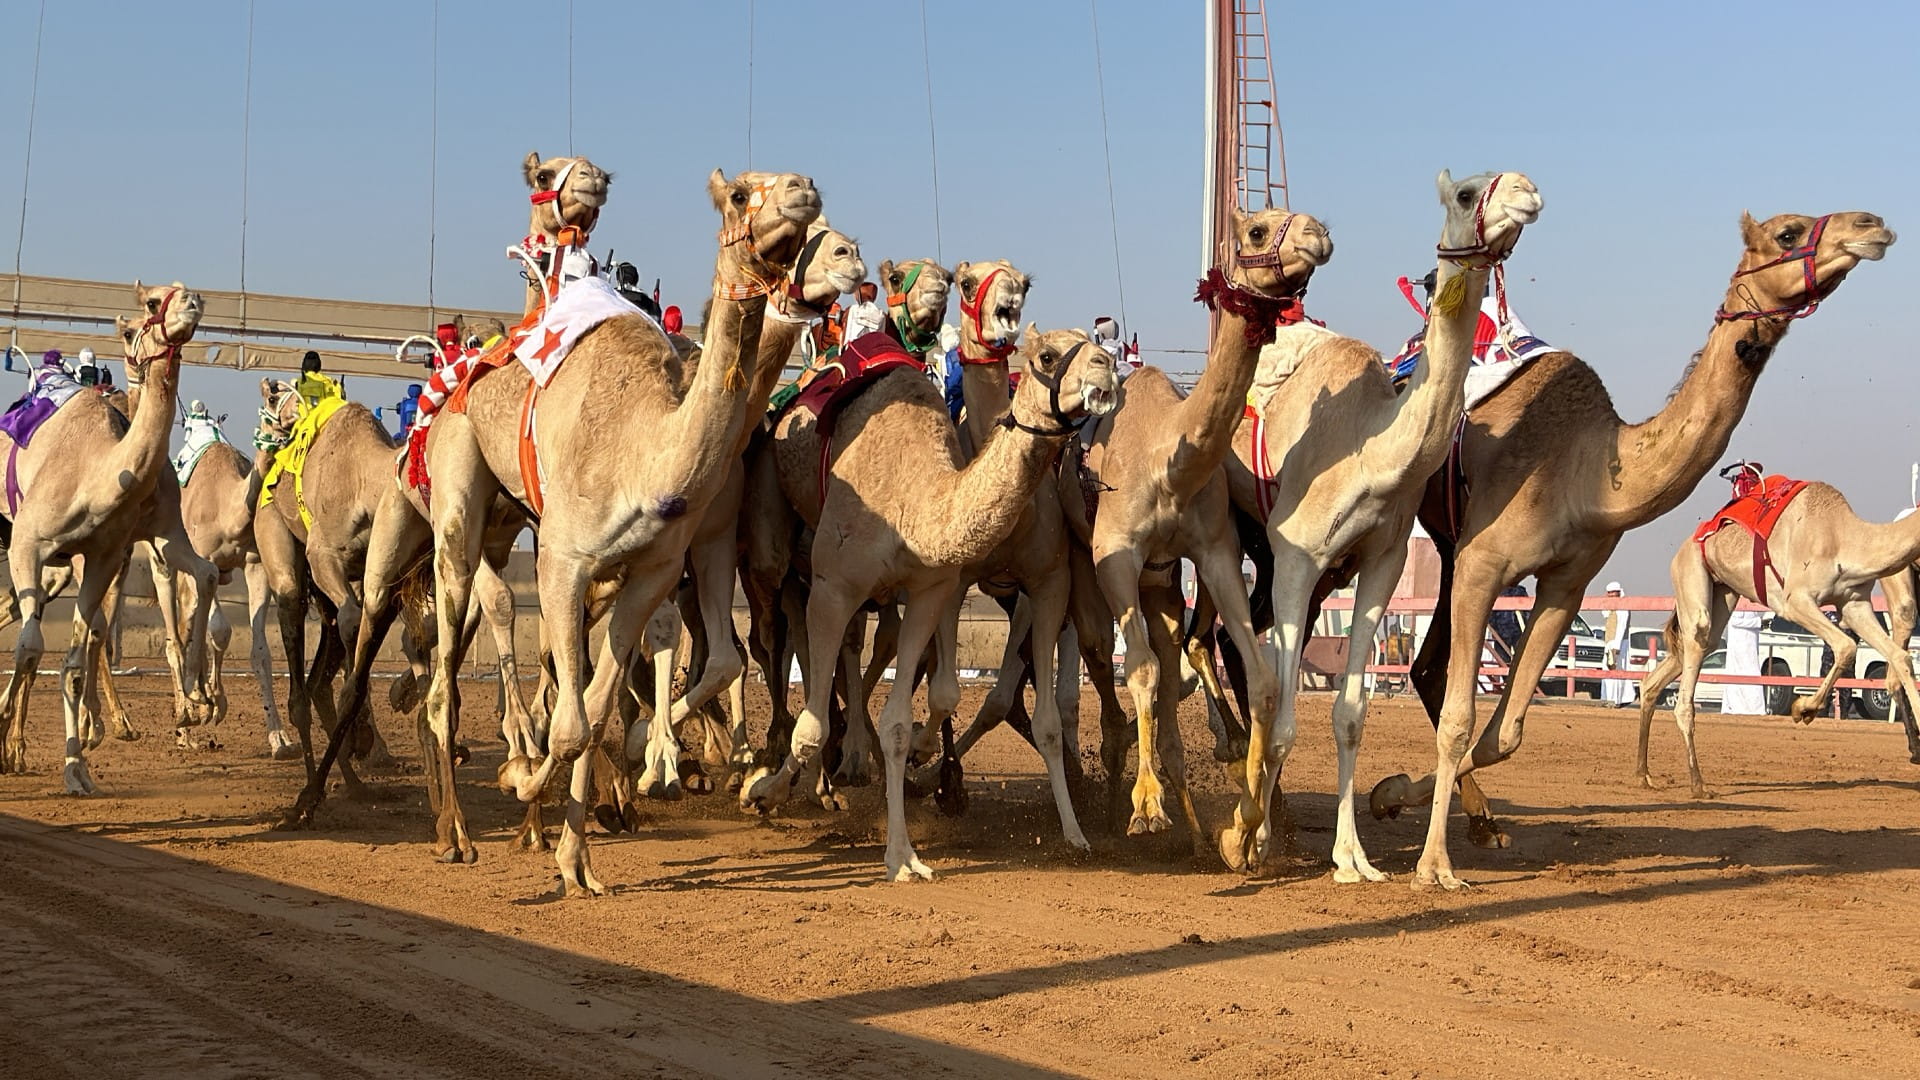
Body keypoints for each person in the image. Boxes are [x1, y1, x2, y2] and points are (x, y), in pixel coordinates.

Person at [1720, 608, 1768, 715]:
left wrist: (1760, 623)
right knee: (1738, 673)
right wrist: (1758, 622)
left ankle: (1753, 707)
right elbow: (1734, 621)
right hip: (1739, 644)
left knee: (1752, 672)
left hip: (1750, 644)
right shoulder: (1739, 603)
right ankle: (1738, 706)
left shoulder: (1751, 604)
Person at [1601, 581, 1636, 707]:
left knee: (1616, 669)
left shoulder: (1623, 606)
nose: (1610, 595)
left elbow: (1621, 627)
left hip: (1619, 643)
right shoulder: (1612, 608)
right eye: (1609, 593)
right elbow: (1605, 614)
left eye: (1612, 593)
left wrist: (1617, 646)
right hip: (1609, 641)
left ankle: (1616, 700)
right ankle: (1608, 698)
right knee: (1607, 669)